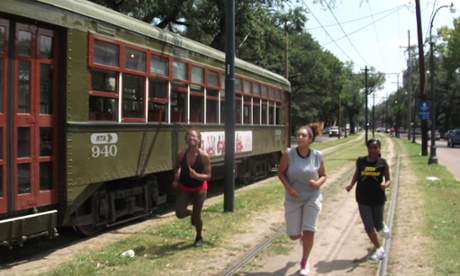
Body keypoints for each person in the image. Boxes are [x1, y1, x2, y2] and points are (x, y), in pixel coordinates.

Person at [277, 124, 327, 276]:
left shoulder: (317, 155)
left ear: (310, 139)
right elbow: (280, 173)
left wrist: (317, 183)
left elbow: (324, 175)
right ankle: (301, 237)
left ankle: (304, 261)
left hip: (312, 196)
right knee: (293, 235)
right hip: (294, 198)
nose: (299, 138)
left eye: (303, 136)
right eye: (298, 135)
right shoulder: (289, 154)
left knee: (309, 230)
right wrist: (289, 188)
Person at [345, 138, 391, 260]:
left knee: (378, 225)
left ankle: (382, 226)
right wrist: (351, 185)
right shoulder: (360, 161)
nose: (373, 150)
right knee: (368, 225)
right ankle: (379, 249)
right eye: (370, 148)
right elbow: (357, 174)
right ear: (367, 149)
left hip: (378, 198)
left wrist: (385, 185)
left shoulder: (383, 163)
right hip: (363, 197)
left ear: (379, 149)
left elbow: (388, 179)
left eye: (375, 148)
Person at [172, 127, 212, 247]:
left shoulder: (204, 156)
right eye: (189, 136)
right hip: (185, 186)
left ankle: (199, 236)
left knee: (197, 215)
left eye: (194, 136)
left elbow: (208, 176)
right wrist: (176, 179)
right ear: (186, 139)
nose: (191, 138)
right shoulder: (181, 154)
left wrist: (196, 175)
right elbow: (178, 167)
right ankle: (190, 214)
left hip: (200, 188)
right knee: (179, 213)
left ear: (198, 140)